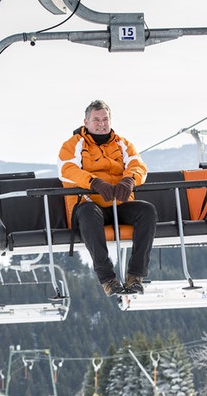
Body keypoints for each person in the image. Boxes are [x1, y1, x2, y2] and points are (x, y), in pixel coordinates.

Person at [58, 99, 157, 296]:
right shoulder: (74, 145)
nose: (102, 124)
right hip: (88, 204)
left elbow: (139, 166)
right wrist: (93, 182)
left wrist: (129, 180)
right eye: (96, 120)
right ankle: (108, 279)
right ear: (86, 122)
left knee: (147, 211)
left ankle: (135, 276)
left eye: (105, 119)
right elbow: (66, 169)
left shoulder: (122, 144)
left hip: (118, 204)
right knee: (88, 214)